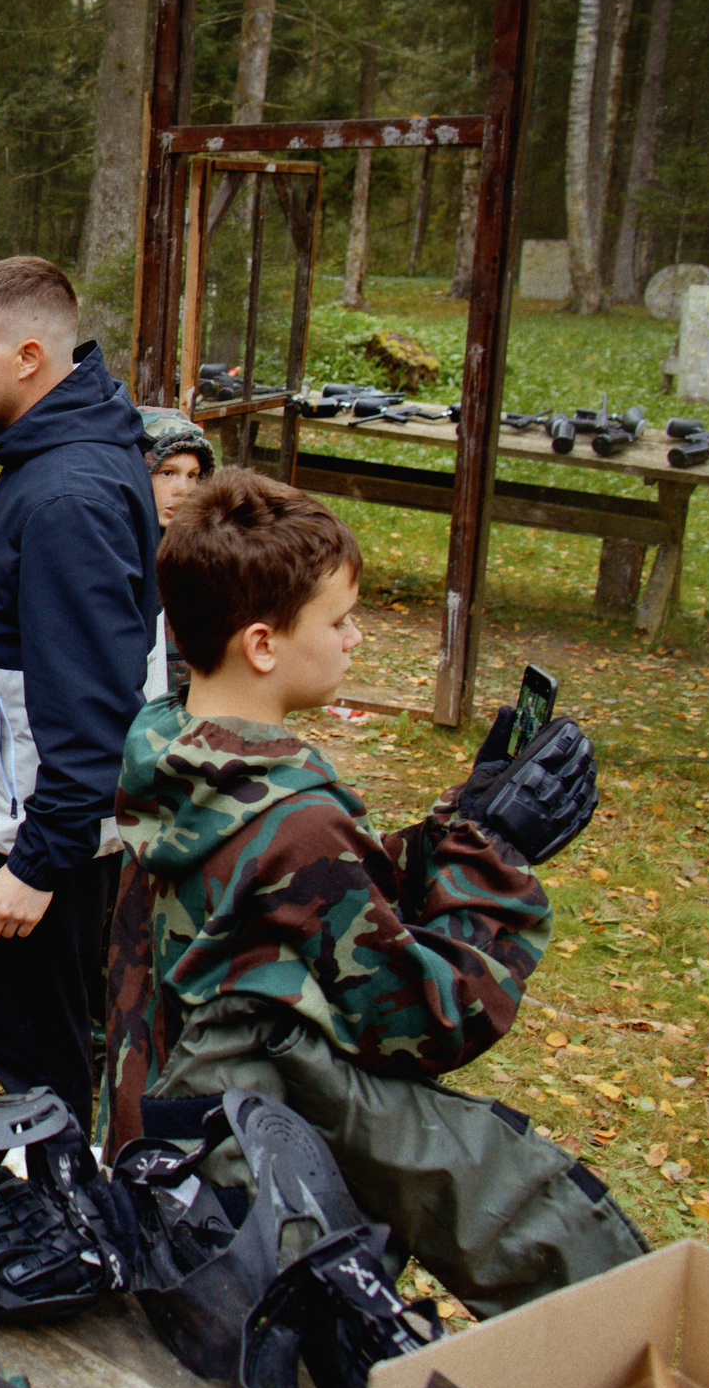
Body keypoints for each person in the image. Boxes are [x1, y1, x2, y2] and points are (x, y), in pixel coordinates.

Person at [102, 469, 644, 1315]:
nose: (356, 637)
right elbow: (430, 1017)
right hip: (256, 1227)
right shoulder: (298, 824)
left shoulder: (172, 754)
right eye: (340, 618)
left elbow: (301, 899)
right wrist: (496, 859)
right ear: (263, 643)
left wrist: (455, 826)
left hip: (164, 1170)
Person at [0, 256, 158, 1125]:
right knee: (48, 1036)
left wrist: (38, 862)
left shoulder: (67, 494)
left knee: (40, 1052)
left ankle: (52, 1214)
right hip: (63, 825)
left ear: (29, 355)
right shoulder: (62, 455)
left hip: (61, 836)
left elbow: (92, 699)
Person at [138, 407, 215, 701]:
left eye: (193, 476)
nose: (183, 490)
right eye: (167, 473)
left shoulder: (205, 554)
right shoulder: (117, 548)